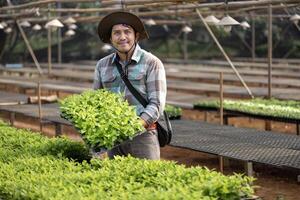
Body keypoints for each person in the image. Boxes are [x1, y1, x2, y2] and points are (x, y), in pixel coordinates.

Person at [93, 11, 167, 160]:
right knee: (117, 181)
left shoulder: (151, 62)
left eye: (127, 32)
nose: (122, 37)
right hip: (114, 137)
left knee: (148, 180)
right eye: (117, 33)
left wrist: (134, 126)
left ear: (136, 36)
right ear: (110, 38)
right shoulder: (102, 65)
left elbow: (157, 104)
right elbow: (96, 102)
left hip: (143, 136)